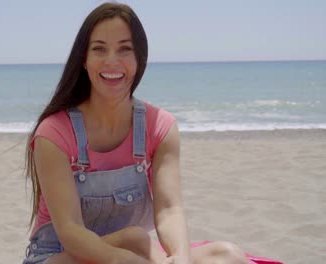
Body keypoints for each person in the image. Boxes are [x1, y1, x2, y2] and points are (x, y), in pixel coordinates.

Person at [23, 3, 250, 264]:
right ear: (84, 60)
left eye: (125, 49)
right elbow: (71, 232)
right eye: (99, 49)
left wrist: (181, 256)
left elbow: (169, 209)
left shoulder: (160, 127)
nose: (111, 61)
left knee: (228, 255)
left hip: (133, 252)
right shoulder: (53, 134)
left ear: (139, 58)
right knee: (135, 239)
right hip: (62, 256)